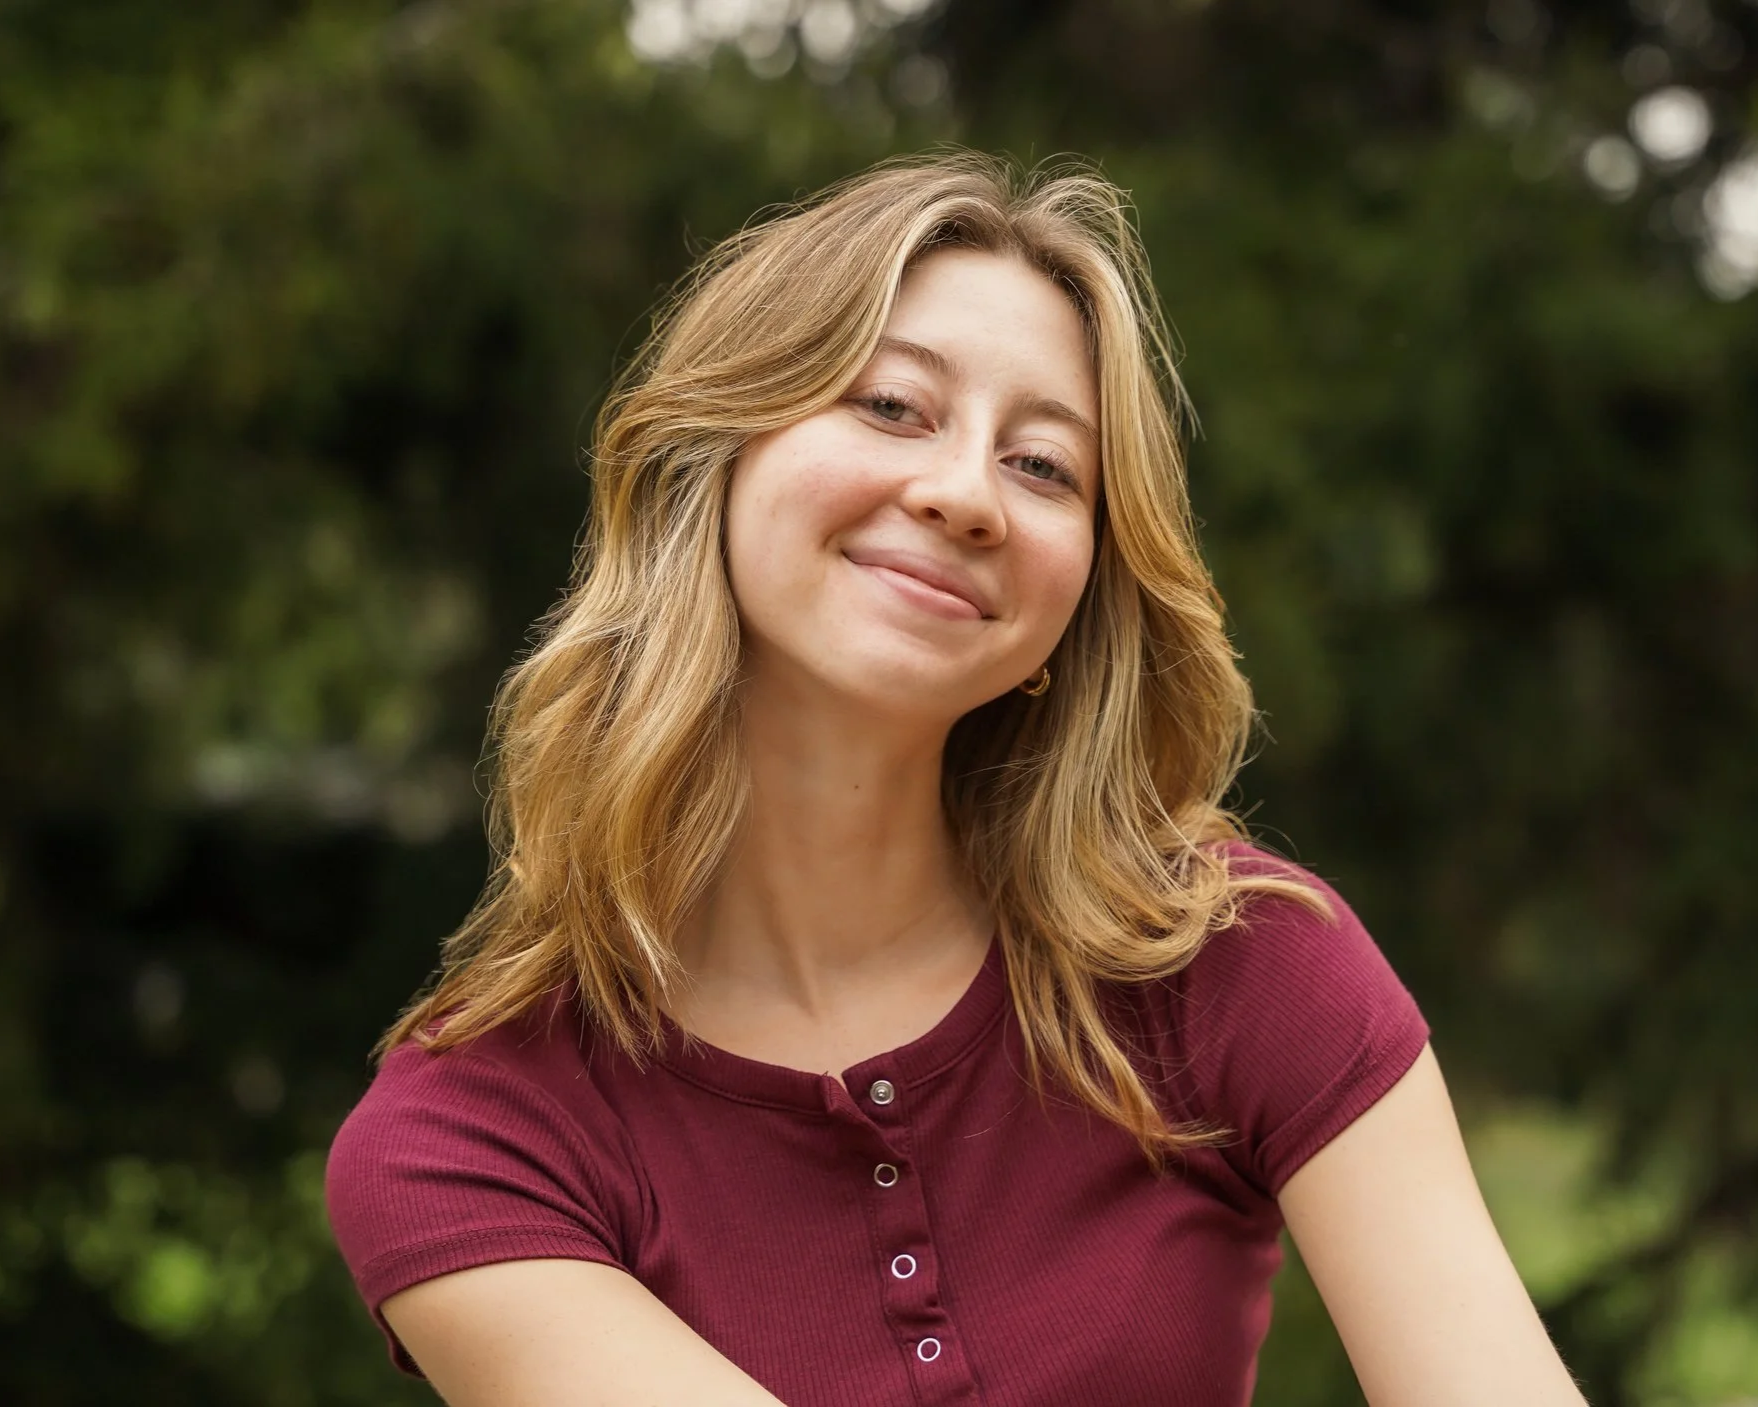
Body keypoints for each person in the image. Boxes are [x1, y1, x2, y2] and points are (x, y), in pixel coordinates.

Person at [324, 150, 1587, 1407]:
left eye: (1044, 465)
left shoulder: (1230, 957)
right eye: (890, 406)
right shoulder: (466, 1149)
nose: (967, 493)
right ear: (713, 459)